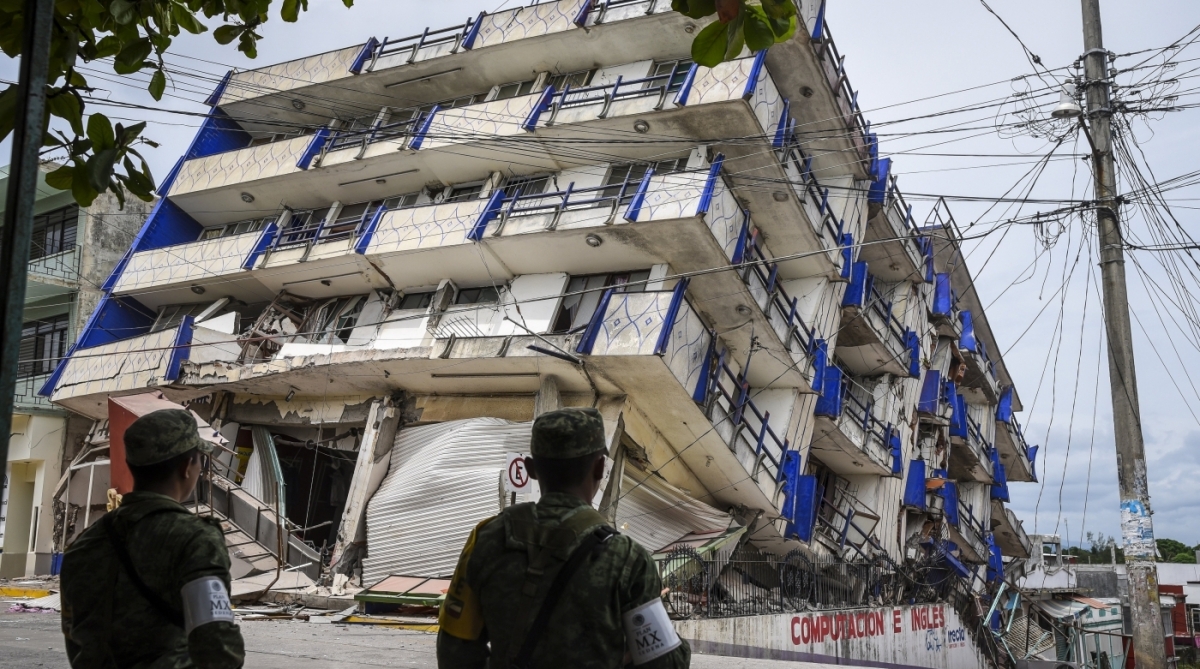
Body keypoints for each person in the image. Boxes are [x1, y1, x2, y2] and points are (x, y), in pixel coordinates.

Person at [437, 407, 691, 668]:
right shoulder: (628, 559)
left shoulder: (487, 538)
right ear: (600, 468)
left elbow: (454, 652)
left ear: (531, 469)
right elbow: (666, 664)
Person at [61, 409, 245, 668]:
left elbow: (76, 639)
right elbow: (217, 647)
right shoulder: (194, 538)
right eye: (200, 460)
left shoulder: (84, 544)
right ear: (186, 467)